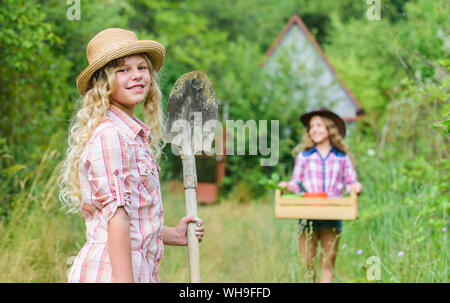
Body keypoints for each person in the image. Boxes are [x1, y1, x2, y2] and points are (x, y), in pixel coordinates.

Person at [58, 28, 204, 283]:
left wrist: (172, 235)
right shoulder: (111, 136)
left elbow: (135, 221)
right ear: (104, 83)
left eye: (141, 68)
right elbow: (117, 220)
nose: (136, 76)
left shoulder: (131, 135)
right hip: (111, 274)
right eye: (123, 70)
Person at [278, 107, 362, 283]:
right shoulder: (304, 157)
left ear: (330, 129)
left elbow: (351, 181)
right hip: (307, 214)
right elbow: (296, 184)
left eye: (318, 125)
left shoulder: (341, 158)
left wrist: (355, 186)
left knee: (328, 262)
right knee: (307, 263)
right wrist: (287, 186)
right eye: (311, 127)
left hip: (332, 213)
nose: (313, 129)